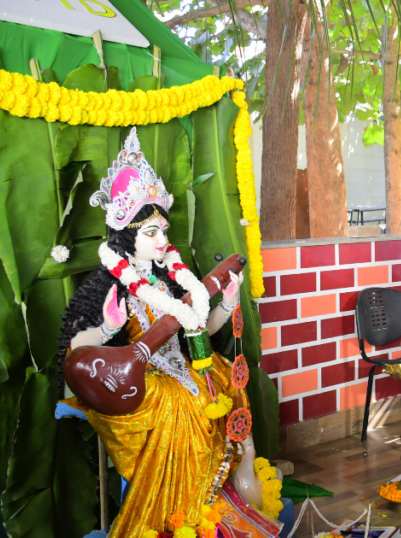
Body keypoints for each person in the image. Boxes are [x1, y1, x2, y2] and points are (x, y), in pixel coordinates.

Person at [56, 129, 276, 536]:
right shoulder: (108, 281)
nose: (163, 241)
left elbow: (198, 330)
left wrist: (227, 303)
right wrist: (108, 327)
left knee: (222, 380)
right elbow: (77, 350)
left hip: (182, 368)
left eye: (163, 230)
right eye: (151, 233)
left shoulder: (169, 278)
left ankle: (223, 494)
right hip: (140, 383)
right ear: (127, 234)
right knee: (183, 404)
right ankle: (179, 514)